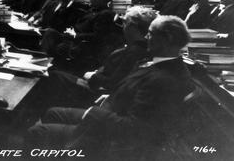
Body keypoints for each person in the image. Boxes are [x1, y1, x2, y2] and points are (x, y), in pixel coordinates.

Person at [28, 15, 194, 158]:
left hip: (112, 139)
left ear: (167, 40)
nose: (146, 37)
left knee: (36, 132)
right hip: (112, 110)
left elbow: (134, 128)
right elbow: (134, 92)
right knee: (52, 112)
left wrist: (93, 113)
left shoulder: (163, 80)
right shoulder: (165, 64)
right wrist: (111, 97)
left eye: (151, 34)